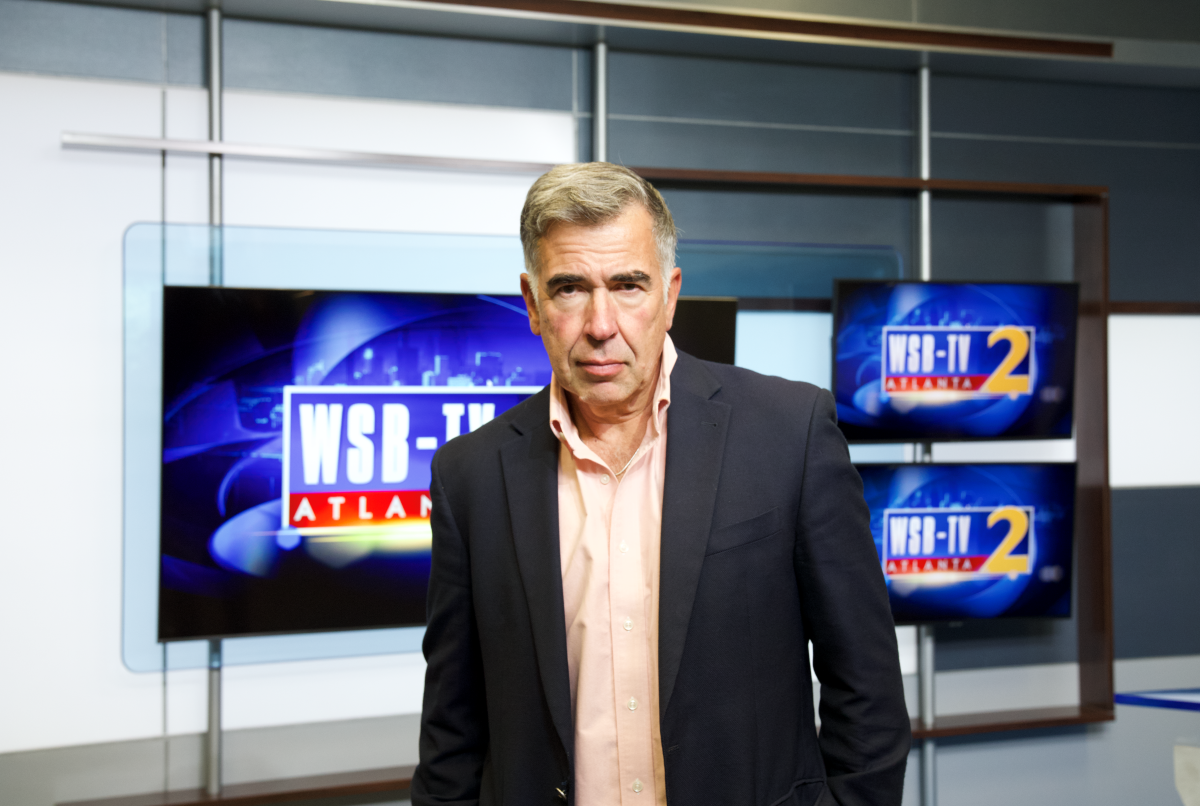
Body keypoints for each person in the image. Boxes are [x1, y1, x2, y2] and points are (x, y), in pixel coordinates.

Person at [412, 163, 911, 806]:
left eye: (628, 285)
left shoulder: (791, 434)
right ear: (532, 304)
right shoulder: (470, 477)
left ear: (670, 295)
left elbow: (865, 686)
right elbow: (451, 733)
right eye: (569, 288)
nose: (600, 323)